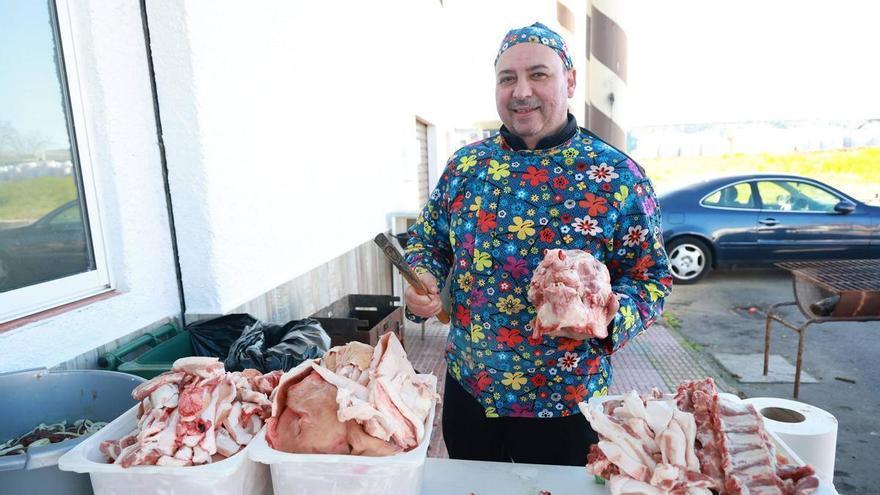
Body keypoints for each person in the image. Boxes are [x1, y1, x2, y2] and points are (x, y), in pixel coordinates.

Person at [403, 22, 672, 466]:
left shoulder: (617, 176)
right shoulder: (467, 166)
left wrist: (606, 316)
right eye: (507, 78)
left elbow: (652, 280)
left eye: (538, 74)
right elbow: (427, 242)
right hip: (473, 393)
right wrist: (422, 279)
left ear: (569, 79)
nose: (520, 90)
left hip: (566, 405)